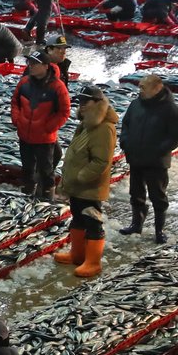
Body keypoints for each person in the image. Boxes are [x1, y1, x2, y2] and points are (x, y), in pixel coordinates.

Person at [53, 85, 118, 279]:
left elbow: (101, 161)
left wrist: (81, 177)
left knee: (93, 222)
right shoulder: (87, 124)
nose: (81, 105)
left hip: (90, 188)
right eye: (79, 101)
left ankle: (93, 262)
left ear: (98, 103)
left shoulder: (104, 128)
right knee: (78, 218)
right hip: (77, 187)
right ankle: (77, 255)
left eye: (86, 101)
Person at [118, 73, 178, 244]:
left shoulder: (171, 109)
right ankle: (136, 224)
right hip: (136, 159)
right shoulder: (136, 104)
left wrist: (159, 150)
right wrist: (125, 141)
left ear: (157, 88)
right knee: (136, 194)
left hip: (156, 162)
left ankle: (159, 230)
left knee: (158, 197)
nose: (139, 90)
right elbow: (126, 124)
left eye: (143, 87)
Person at [11, 53, 71, 200]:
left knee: (46, 171)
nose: (31, 66)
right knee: (27, 168)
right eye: (29, 63)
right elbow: (15, 103)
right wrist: (17, 120)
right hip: (24, 136)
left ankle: (46, 198)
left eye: (35, 63)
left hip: (45, 139)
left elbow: (65, 111)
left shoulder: (58, 87)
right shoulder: (24, 82)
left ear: (45, 66)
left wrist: (49, 127)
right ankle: (27, 195)